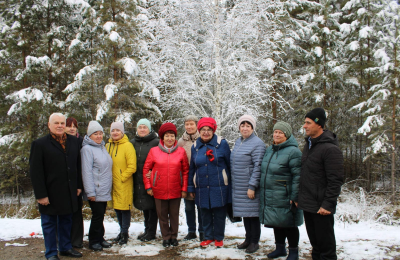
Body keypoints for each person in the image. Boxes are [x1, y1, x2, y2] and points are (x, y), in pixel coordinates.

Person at [29, 113, 83, 260]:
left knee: (66, 221)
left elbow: (77, 165)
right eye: (56, 123)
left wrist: (78, 185)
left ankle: (65, 247)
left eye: (62, 123)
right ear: (49, 125)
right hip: (50, 192)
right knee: (49, 224)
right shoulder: (40, 144)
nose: (60, 125)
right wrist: (41, 195)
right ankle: (51, 253)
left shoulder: (73, 141)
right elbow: (36, 172)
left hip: (69, 191)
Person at [298, 108, 344, 260]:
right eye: (305, 122)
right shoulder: (309, 145)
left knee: (326, 249)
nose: (304, 126)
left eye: (308, 123)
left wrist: (328, 204)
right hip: (309, 204)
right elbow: (306, 174)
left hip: (321, 207)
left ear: (319, 124)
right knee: (316, 246)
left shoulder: (330, 149)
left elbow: (335, 180)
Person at [260, 121, 303, 260]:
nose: (277, 134)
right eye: (275, 132)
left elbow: (298, 176)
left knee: (289, 224)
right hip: (271, 194)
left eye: (281, 132)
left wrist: (295, 196)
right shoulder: (270, 149)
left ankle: (294, 251)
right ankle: (280, 248)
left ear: (287, 135)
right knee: (276, 222)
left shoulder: (294, 152)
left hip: (285, 194)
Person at [143, 122, 189, 247]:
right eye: (167, 136)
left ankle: (174, 236)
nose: (170, 138)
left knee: (174, 215)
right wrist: (148, 186)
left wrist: (184, 189)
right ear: (162, 137)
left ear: (175, 137)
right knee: (162, 216)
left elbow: (185, 171)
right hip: (159, 189)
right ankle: (166, 237)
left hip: (176, 190)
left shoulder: (181, 151)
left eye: (172, 135)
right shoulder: (154, 151)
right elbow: (146, 169)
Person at [187, 117, 231, 248]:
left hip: (220, 186)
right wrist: (191, 187)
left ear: (213, 130)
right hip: (201, 186)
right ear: (199, 131)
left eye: (209, 130)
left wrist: (230, 184)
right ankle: (208, 236)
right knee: (204, 212)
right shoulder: (195, 146)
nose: (206, 132)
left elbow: (229, 165)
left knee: (219, 213)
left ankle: (218, 237)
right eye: (203, 130)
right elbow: (192, 168)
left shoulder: (222, 144)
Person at [231, 115, 266, 253]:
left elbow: (258, 166)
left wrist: (252, 186)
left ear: (252, 128)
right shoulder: (239, 141)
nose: (245, 128)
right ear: (239, 127)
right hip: (239, 185)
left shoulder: (257, 143)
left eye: (248, 126)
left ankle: (254, 242)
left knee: (253, 215)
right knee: (246, 214)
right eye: (242, 125)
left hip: (249, 187)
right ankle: (248, 239)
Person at [81, 121, 113, 252]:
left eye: (100, 133)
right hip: (95, 189)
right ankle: (93, 241)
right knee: (97, 215)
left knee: (100, 215)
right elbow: (86, 171)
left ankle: (100, 237)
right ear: (90, 135)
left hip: (104, 188)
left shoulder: (102, 147)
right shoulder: (87, 149)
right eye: (95, 134)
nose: (99, 136)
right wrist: (90, 192)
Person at [106, 122, 137, 245]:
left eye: (118, 130)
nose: (115, 133)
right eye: (113, 130)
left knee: (125, 208)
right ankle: (121, 231)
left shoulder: (128, 146)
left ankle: (125, 233)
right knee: (117, 207)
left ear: (122, 132)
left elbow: (132, 166)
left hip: (124, 182)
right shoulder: (107, 146)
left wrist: (121, 177)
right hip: (111, 183)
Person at [131, 119, 159, 242]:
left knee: (152, 207)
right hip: (138, 179)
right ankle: (147, 230)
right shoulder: (133, 142)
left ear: (149, 129)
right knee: (145, 206)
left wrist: (153, 172)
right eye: (140, 127)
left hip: (151, 179)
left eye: (145, 127)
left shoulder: (156, 142)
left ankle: (151, 232)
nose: (142, 129)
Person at [177, 115, 204, 241]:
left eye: (191, 124)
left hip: (201, 178)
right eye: (187, 124)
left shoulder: (203, 139)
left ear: (196, 125)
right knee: (189, 207)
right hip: (186, 179)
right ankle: (191, 230)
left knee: (201, 207)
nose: (189, 126)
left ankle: (203, 231)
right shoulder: (181, 142)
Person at [65, 117, 84, 249]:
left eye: (74, 126)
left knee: (77, 212)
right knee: (65, 213)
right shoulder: (61, 141)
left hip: (79, 180)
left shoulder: (82, 141)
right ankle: (65, 239)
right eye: (69, 126)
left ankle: (77, 240)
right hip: (64, 182)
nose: (72, 128)